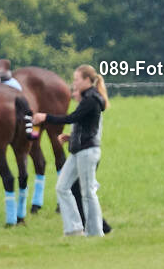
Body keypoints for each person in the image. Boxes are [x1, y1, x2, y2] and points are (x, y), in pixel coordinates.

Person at [34, 65, 108, 237]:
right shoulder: (87, 99)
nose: (74, 83)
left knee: (88, 192)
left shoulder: (91, 99)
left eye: (77, 79)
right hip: (78, 150)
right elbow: (84, 124)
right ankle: (74, 229)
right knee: (62, 187)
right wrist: (71, 137)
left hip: (87, 152)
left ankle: (95, 232)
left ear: (87, 81)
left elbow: (72, 118)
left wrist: (46, 117)